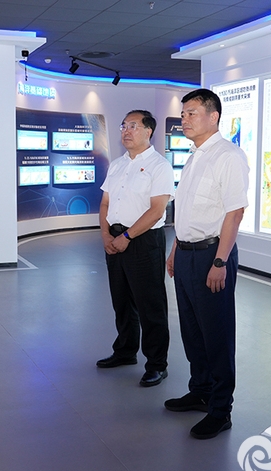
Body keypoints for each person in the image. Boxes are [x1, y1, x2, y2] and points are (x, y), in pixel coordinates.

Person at [164, 89, 249, 439]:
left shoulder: (228, 156)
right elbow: (186, 212)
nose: (184, 119)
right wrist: (175, 249)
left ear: (213, 117)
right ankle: (200, 390)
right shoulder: (195, 156)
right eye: (183, 113)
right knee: (192, 330)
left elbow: (235, 212)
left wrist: (220, 261)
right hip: (186, 254)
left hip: (211, 256)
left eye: (192, 113)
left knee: (216, 334)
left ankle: (220, 409)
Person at [96, 110, 174, 387]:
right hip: (115, 238)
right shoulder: (117, 165)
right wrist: (106, 235)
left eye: (133, 126)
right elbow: (105, 203)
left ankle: (157, 364)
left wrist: (127, 236)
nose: (126, 131)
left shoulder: (159, 166)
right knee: (122, 301)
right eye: (123, 126)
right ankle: (125, 351)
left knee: (150, 304)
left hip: (143, 241)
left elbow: (156, 211)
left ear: (148, 131)